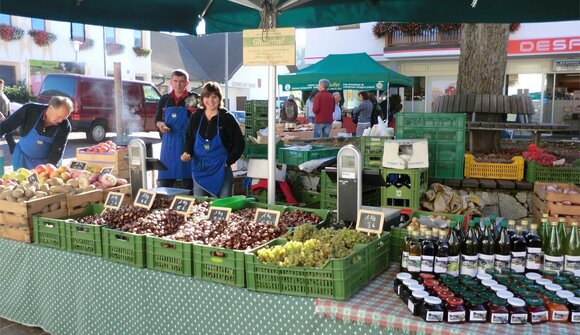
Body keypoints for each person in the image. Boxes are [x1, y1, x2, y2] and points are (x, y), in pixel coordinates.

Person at [181, 82, 244, 198]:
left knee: (223, 207)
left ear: (220, 98)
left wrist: (228, 161)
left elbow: (239, 144)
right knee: (200, 207)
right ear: (202, 98)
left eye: (214, 97)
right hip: (200, 170)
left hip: (221, 170)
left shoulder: (227, 118)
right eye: (207, 96)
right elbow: (189, 138)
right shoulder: (196, 116)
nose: (211, 100)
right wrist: (187, 152)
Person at [0, 96, 72, 169]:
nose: (60, 121)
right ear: (50, 108)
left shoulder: (64, 125)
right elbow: (6, 126)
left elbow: (57, 151)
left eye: (63, 118)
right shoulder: (30, 110)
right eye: (59, 117)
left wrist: (50, 169)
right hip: (22, 158)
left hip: (44, 163)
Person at [154, 69, 196, 191]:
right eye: (176, 81)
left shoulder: (192, 99)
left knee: (187, 184)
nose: (179, 84)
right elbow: (156, 120)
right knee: (164, 185)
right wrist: (161, 125)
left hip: (187, 144)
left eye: (182, 81)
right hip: (168, 145)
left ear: (187, 83)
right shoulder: (165, 99)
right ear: (171, 82)